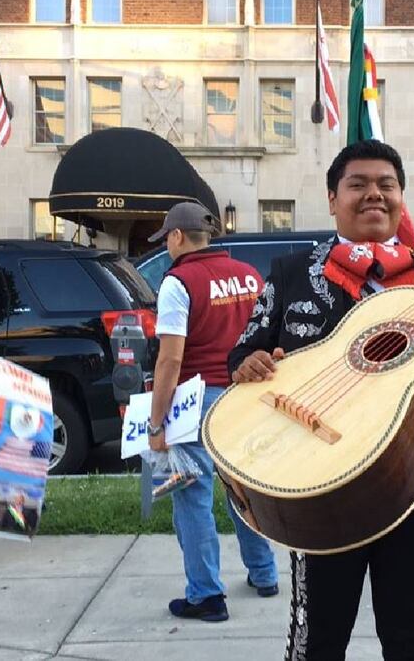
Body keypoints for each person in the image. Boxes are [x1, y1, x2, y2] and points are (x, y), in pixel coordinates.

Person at [228, 140, 414, 660]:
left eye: (386, 185)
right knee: (317, 641)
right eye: (358, 185)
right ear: (332, 198)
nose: (373, 195)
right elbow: (244, 352)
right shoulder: (291, 273)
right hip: (319, 481)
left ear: (402, 198)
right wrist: (246, 366)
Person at [146, 201, 279, 623]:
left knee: (191, 493)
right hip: (246, 396)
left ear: (178, 236)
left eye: (166, 238)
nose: (166, 246)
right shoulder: (249, 274)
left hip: (197, 400)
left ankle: (206, 594)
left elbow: (169, 360)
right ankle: (264, 573)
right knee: (244, 488)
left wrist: (155, 423)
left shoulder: (177, 282)